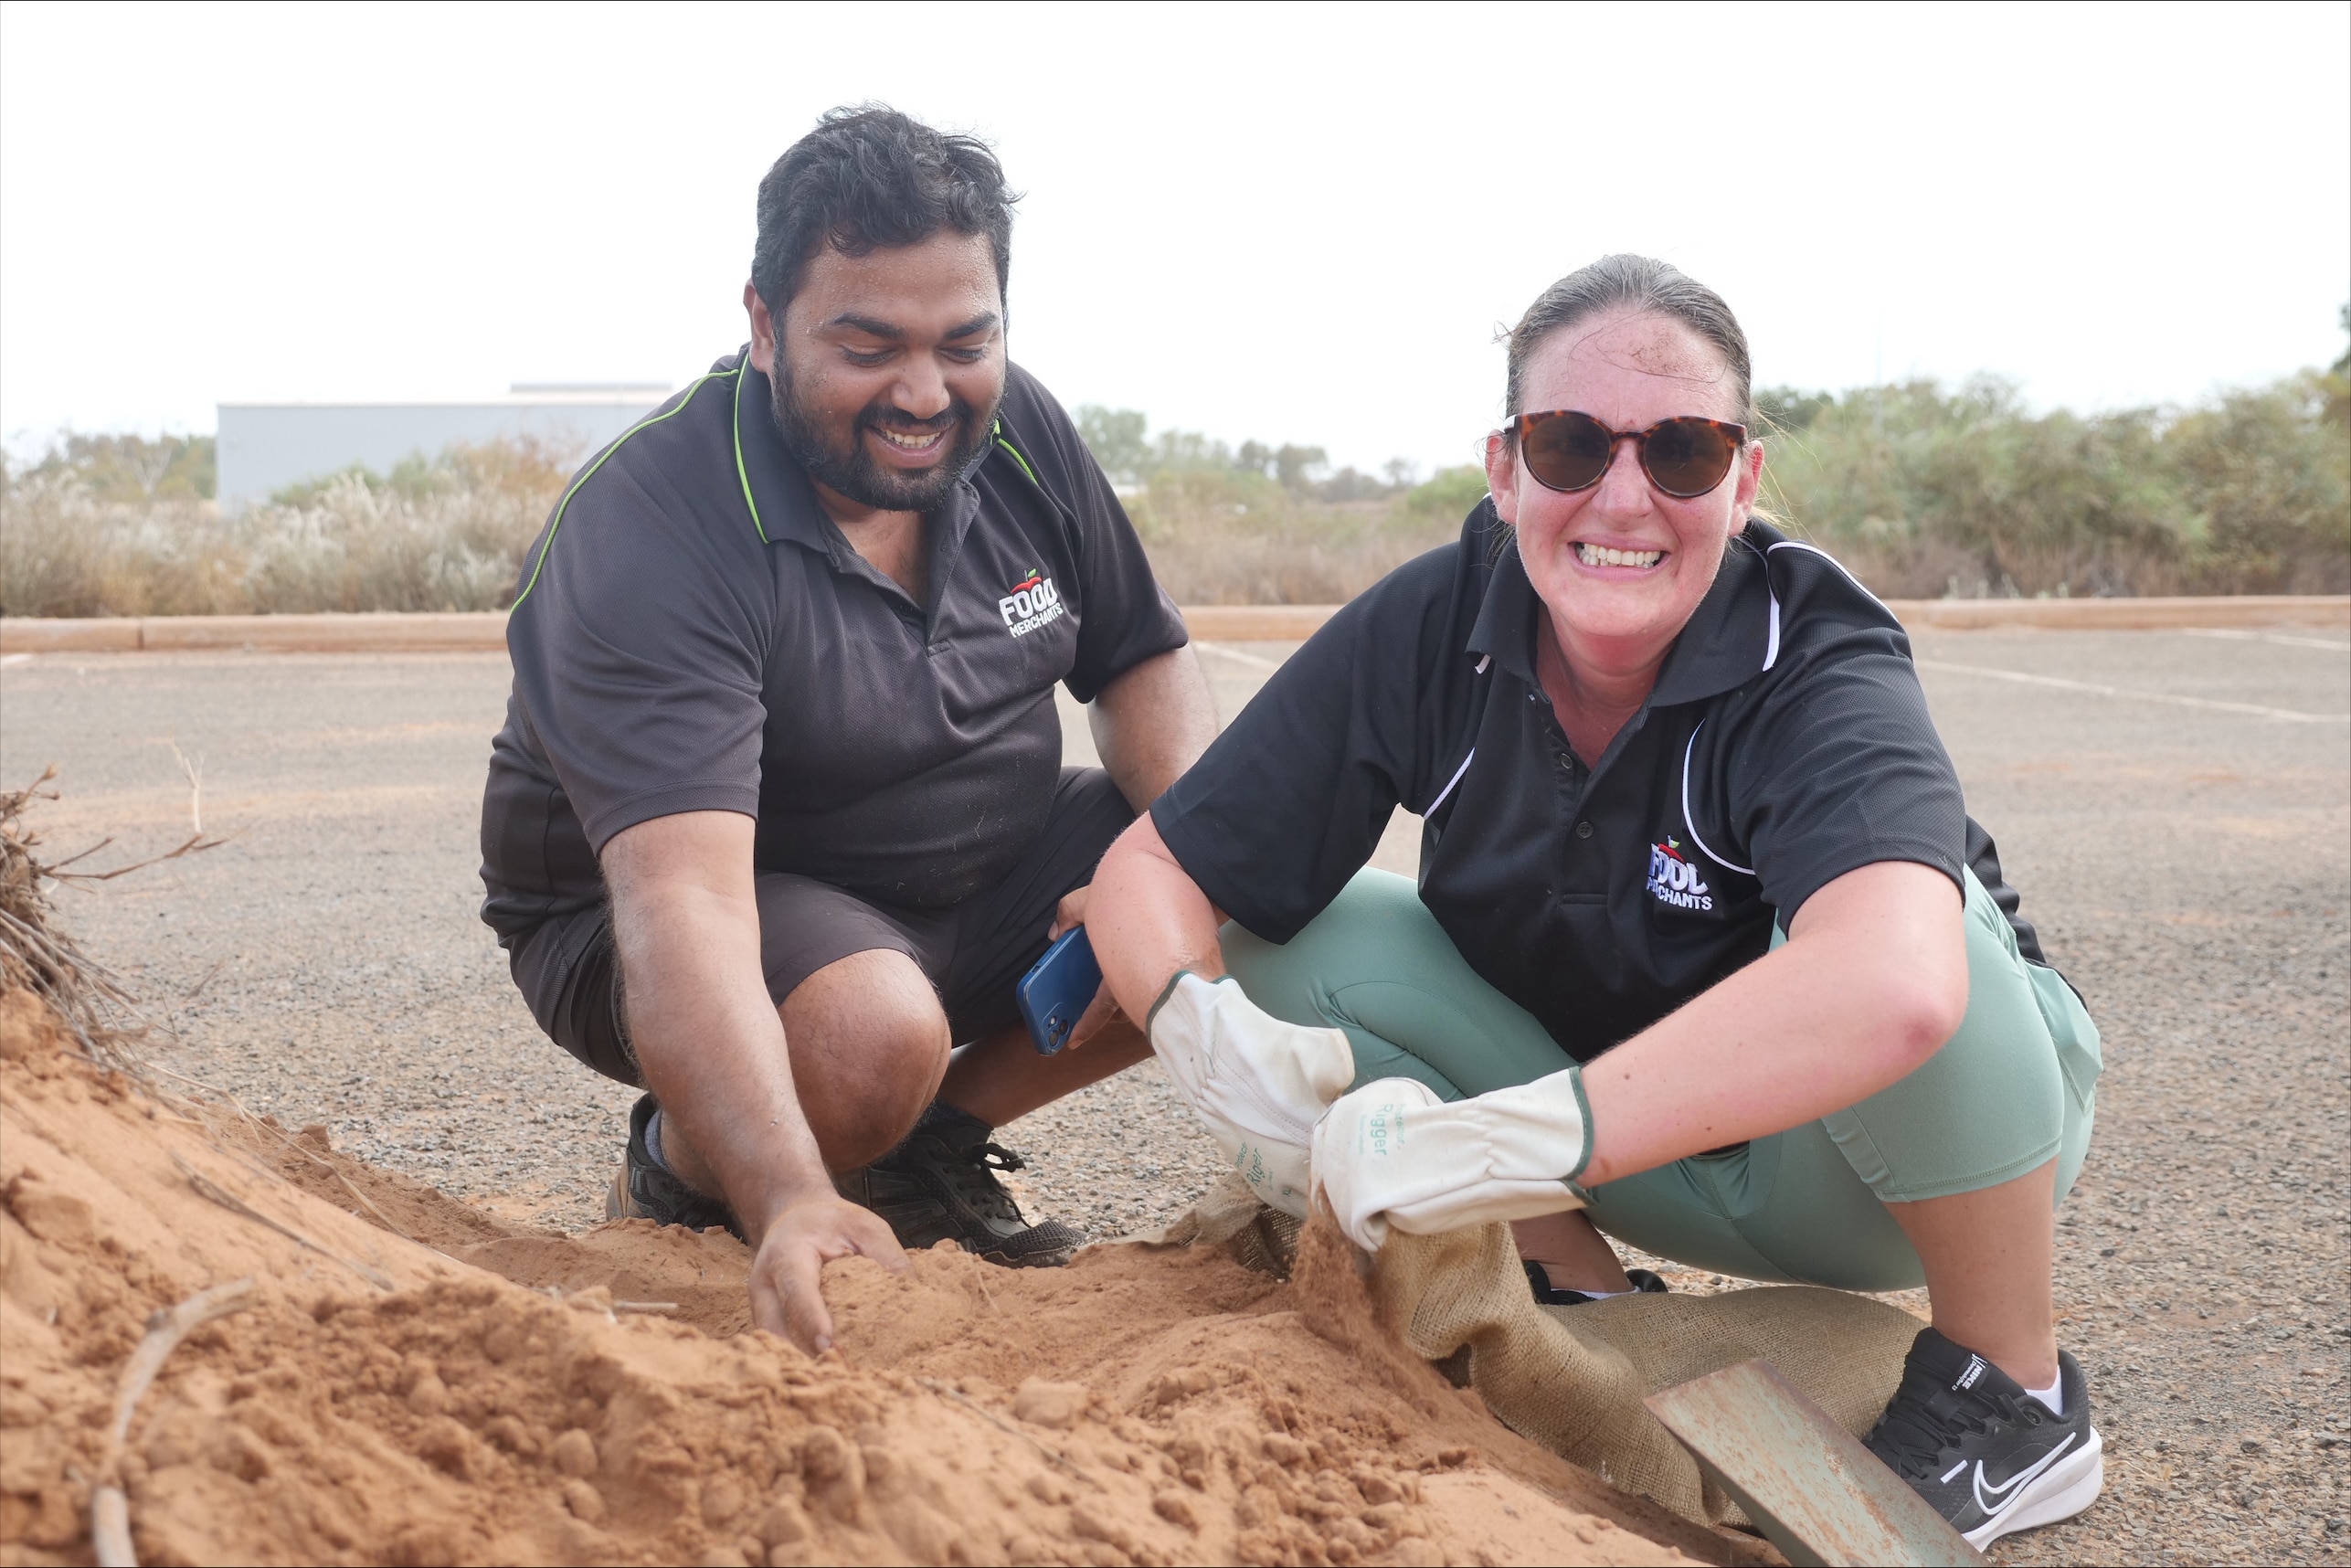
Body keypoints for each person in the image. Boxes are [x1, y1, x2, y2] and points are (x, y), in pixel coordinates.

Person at [1083, 255, 2105, 1549]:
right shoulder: (1435, 620)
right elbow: (1154, 871)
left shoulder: (1816, 653)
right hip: (1631, 1144)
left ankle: (2012, 1393)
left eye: (1680, 452)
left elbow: (1899, 989)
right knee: (1300, 933)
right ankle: (1576, 1292)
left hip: (1894, 1167)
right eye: (1570, 443)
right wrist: (1201, 1032)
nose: (1621, 496)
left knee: (1903, 920)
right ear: (1504, 466)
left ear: (1741, 482)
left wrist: (1508, 1143)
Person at [478, 107, 1218, 1355]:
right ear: (764, 323)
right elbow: (683, 907)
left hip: (969, 865)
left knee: (1251, 866)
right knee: (872, 1038)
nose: (923, 393)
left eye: (962, 342)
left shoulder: (1017, 430)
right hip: (690, 905)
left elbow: (1140, 655)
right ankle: (686, 1162)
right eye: (866, 345)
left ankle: (929, 1144)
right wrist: (785, 1194)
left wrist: (1183, 869)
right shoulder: (651, 531)